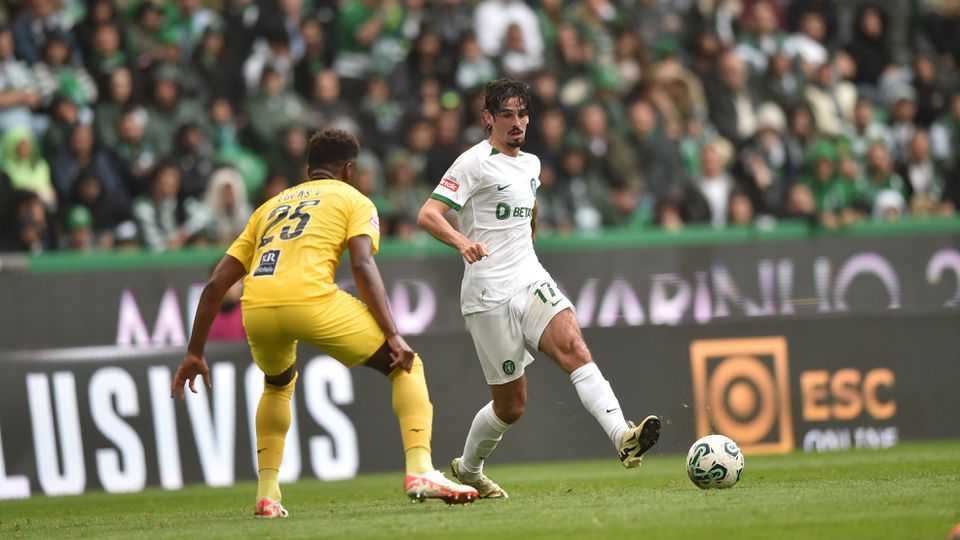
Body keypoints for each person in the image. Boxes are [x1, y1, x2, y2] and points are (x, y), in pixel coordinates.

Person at [171, 128, 477, 519]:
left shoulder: (268, 207)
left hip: (257, 305)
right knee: (406, 364)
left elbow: (216, 285)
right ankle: (420, 470)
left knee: (277, 385)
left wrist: (195, 352)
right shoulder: (355, 199)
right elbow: (363, 265)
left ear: (309, 169)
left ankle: (268, 496)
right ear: (349, 170)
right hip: (311, 300)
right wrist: (393, 334)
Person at [417, 78, 661, 499]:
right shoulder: (473, 162)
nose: (517, 123)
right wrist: (463, 242)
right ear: (488, 119)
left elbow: (530, 206)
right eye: (507, 115)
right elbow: (428, 214)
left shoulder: (532, 164)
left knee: (575, 348)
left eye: (523, 114)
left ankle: (623, 436)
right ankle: (470, 469)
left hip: (529, 278)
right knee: (511, 406)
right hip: (486, 294)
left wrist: (530, 232)